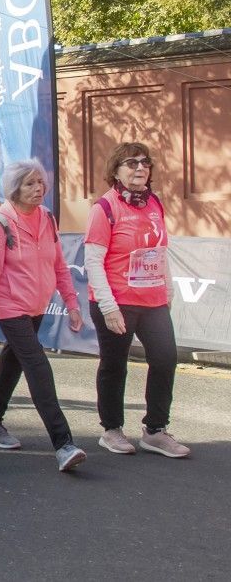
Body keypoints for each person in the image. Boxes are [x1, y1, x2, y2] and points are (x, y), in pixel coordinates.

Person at [0, 159, 87, 472]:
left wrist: (72, 305)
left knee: (12, 362)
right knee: (37, 366)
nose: (38, 189)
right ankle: (63, 443)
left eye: (40, 183)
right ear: (14, 188)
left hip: (36, 306)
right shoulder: (1, 223)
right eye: (29, 184)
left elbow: (59, 265)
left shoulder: (47, 217)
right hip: (10, 307)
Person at [85, 143, 188, 458]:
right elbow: (93, 261)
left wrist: (167, 291)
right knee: (115, 365)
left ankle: (155, 431)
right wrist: (109, 306)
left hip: (153, 300)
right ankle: (112, 429)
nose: (140, 168)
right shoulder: (104, 208)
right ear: (116, 170)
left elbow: (160, 251)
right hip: (116, 301)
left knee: (165, 358)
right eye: (131, 163)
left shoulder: (154, 202)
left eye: (145, 163)